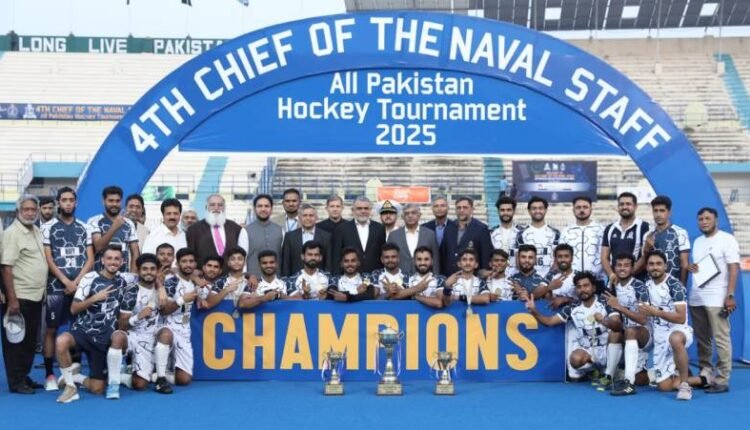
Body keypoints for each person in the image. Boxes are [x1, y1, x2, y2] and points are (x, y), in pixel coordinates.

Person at [54, 245, 130, 403]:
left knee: (97, 389)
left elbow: (147, 274)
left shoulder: (124, 281)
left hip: (103, 340)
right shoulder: (90, 278)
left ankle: (76, 377)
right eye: (109, 258)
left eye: (117, 259)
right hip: (83, 332)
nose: (113, 262)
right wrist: (95, 298)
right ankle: (70, 387)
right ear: (102, 260)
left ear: (122, 261)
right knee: (61, 341)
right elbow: (74, 309)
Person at [41, 187, 94, 391]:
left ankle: (74, 370)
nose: (68, 203)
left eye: (71, 200)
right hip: (56, 287)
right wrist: (65, 281)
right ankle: (49, 374)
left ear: (76, 203)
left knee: (78, 328)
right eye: (64, 200)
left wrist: (77, 282)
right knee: (51, 329)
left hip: (80, 288)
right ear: (58, 202)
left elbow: (90, 259)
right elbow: (49, 258)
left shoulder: (85, 227)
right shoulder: (48, 228)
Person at [639, 251, 707, 400]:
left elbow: (681, 318)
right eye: (651, 264)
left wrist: (656, 312)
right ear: (647, 267)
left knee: (675, 339)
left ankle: (685, 385)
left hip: (678, 329)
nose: (655, 267)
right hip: (659, 335)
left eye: (659, 264)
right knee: (664, 387)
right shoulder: (645, 286)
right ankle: (699, 379)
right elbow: (643, 314)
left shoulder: (675, 286)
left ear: (665, 266)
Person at [525, 272, 616, 381]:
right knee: (575, 359)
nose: (582, 289)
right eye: (579, 287)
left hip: (608, 349)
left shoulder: (605, 302)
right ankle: (595, 370)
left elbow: (618, 325)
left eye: (586, 286)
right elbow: (549, 321)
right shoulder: (572, 307)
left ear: (593, 288)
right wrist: (534, 311)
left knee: (616, 334)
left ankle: (610, 374)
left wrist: (603, 321)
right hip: (589, 351)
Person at [688, 207, 740, 394]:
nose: (704, 222)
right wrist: (693, 268)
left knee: (721, 338)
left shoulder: (727, 239)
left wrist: (730, 295)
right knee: (702, 339)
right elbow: (700, 267)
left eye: (707, 218)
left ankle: (722, 378)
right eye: (700, 219)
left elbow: (733, 268)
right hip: (696, 297)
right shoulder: (697, 242)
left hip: (717, 297)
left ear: (716, 220)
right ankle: (706, 373)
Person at [1, 194, 48, 394]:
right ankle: (16, 382)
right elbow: (6, 267)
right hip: (19, 296)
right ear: (18, 211)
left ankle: (24, 375)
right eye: (26, 209)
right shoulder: (12, 233)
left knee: (29, 341)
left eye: (33, 209)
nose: (30, 213)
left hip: (36, 295)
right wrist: (12, 299)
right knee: (16, 341)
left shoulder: (36, 230)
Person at [122, 253, 173, 394]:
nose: (149, 272)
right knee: (139, 385)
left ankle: (161, 379)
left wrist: (161, 288)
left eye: (152, 269)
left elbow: (165, 311)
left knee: (166, 333)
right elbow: (121, 325)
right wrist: (138, 317)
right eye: (145, 269)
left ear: (157, 271)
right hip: (133, 335)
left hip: (151, 335)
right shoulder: (131, 290)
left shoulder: (162, 289)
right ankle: (116, 375)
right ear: (138, 271)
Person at [603, 254, 651, 395]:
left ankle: (629, 383)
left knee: (630, 331)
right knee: (614, 333)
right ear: (614, 267)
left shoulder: (639, 286)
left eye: (626, 265)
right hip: (627, 334)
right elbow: (615, 320)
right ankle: (609, 376)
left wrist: (619, 306)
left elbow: (643, 320)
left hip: (646, 333)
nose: (622, 268)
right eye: (619, 265)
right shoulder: (612, 287)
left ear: (632, 267)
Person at [159, 248, 201, 387]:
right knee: (165, 335)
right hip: (167, 328)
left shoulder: (195, 283)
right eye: (184, 261)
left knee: (184, 379)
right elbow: (164, 311)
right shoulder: (171, 283)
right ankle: (159, 376)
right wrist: (182, 299)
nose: (188, 264)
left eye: (191, 261)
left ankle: (154, 375)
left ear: (195, 264)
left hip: (184, 332)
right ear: (177, 264)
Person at [186, 194, 248, 272]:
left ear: (224, 208)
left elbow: (243, 254)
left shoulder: (235, 228)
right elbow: (190, 255)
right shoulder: (194, 229)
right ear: (206, 207)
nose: (216, 208)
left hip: (230, 277)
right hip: (203, 277)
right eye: (212, 205)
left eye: (220, 205)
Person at [87, 186, 139, 273]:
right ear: (103, 201)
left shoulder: (129, 223)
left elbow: (135, 253)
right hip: (99, 276)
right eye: (110, 201)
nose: (114, 204)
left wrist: (132, 275)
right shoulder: (94, 221)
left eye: (117, 201)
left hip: (123, 277)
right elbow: (98, 247)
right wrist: (115, 226)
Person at [601, 192, 650, 283]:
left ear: (635, 206)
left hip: (637, 280)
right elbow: (604, 257)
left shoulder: (644, 227)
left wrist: (626, 275)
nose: (624, 207)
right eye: (621, 204)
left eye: (628, 204)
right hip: (615, 281)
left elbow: (646, 255)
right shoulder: (610, 228)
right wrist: (611, 274)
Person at [331, 196, 386, 275]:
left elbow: (383, 253)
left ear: (370, 210)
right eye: (359, 208)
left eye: (366, 208)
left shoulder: (379, 228)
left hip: (375, 275)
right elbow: (337, 257)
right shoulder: (342, 229)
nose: (363, 211)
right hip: (350, 276)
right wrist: (337, 277)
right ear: (353, 210)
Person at [642, 195, 690, 285]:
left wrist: (682, 287)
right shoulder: (648, 235)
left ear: (669, 212)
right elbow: (645, 264)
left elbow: (684, 264)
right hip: (652, 286)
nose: (658, 214)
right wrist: (646, 250)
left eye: (662, 210)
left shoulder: (680, 232)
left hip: (673, 286)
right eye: (655, 211)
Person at [439, 196, 492, 276]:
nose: (461, 210)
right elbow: (443, 254)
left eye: (465, 207)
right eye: (459, 208)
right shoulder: (448, 228)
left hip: (472, 277)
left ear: (472, 209)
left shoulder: (481, 229)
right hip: (450, 277)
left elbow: (485, 255)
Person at [560, 196, 604, 282]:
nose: (582, 210)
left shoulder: (601, 230)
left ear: (591, 209)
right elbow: (561, 256)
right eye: (578, 207)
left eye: (585, 207)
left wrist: (594, 274)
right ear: (573, 210)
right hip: (571, 281)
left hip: (596, 280)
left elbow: (605, 256)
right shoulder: (566, 232)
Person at [388, 203, 440, 275]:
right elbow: (388, 258)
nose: (410, 215)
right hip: (400, 278)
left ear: (419, 215)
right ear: (403, 217)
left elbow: (435, 259)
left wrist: (436, 276)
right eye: (407, 213)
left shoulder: (430, 234)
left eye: (413, 213)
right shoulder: (393, 235)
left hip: (424, 277)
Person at [281, 203, 331, 276]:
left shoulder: (326, 236)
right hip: (295, 279)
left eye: (311, 215)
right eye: (305, 215)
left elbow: (328, 263)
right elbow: (286, 262)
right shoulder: (290, 236)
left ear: (316, 218)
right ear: (299, 218)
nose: (308, 218)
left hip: (319, 280)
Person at [515, 196, 560, 277]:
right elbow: (518, 261)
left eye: (540, 208)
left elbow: (558, 259)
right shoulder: (521, 234)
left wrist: (547, 280)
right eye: (534, 208)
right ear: (529, 211)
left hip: (551, 280)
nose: (537, 211)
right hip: (528, 279)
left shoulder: (555, 233)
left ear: (545, 210)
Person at [245, 194, 283, 278]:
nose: (263, 209)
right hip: (253, 281)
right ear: (254, 209)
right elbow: (242, 258)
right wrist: (248, 276)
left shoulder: (280, 230)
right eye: (260, 206)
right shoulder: (245, 231)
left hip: (277, 280)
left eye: (266, 206)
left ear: (271, 209)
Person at [490, 196, 525, 276]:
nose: (505, 213)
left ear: (514, 211)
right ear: (498, 211)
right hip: (496, 276)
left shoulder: (523, 233)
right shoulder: (491, 233)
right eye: (502, 210)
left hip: (517, 277)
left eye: (508, 210)